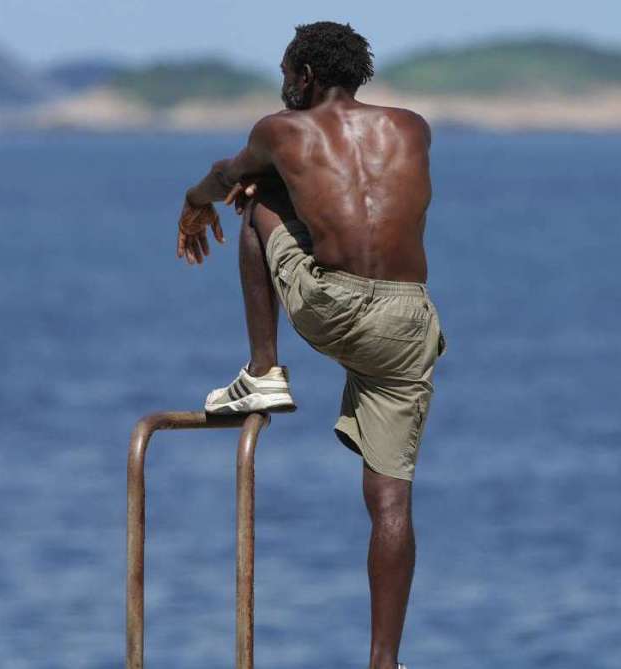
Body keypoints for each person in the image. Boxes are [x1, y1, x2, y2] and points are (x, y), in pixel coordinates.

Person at [174, 21, 444, 669]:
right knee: (391, 499)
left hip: (339, 305)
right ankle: (385, 661)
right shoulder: (413, 127)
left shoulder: (281, 130)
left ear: (305, 77)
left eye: (285, 76)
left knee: (255, 195)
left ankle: (264, 369)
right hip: (411, 317)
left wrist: (195, 202)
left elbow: (224, 172)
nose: (283, 88)